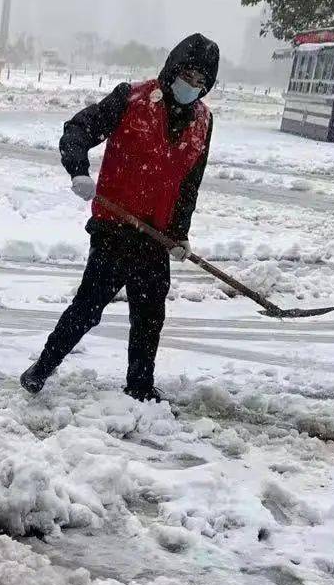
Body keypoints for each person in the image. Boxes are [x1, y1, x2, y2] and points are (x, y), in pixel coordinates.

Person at [20, 33, 220, 403]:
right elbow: (77, 129)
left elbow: (189, 184)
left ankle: (140, 387)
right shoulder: (131, 99)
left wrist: (180, 234)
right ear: (173, 69)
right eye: (188, 76)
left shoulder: (202, 124)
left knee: (149, 317)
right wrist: (78, 170)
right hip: (114, 229)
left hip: (155, 236)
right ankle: (41, 369)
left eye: (200, 83)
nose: (192, 87)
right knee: (87, 309)